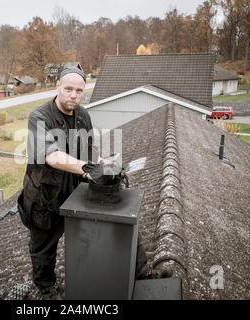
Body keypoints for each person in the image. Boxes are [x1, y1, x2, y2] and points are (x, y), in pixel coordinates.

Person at [17, 67, 168, 299]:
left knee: (123, 219)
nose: (73, 95)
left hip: (76, 191)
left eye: (79, 90)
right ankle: (47, 290)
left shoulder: (83, 116)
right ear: (57, 86)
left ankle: (142, 273)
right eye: (68, 89)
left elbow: (88, 149)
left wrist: (106, 166)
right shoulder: (40, 117)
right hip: (44, 197)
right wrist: (89, 169)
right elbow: (51, 156)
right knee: (43, 249)